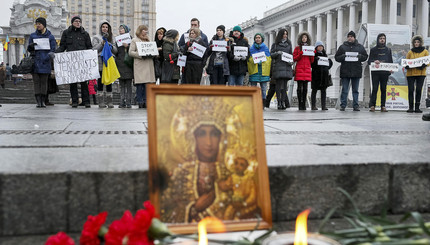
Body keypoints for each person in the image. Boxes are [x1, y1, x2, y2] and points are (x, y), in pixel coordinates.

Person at [56, 15, 92, 108]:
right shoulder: (66, 33)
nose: (78, 23)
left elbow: (89, 47)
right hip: (71, 62)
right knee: (73, 83)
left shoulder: (85, 34)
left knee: (84, 82)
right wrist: (55, 53)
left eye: (79, 21)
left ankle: (86, 101)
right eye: (76, 21)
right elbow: (62, 46)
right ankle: (74, 101)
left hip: (82, 62)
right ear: (72, 23)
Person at [335, 31, 368, 111]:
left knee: (355, 90)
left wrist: (360, 56)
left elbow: (365, 57)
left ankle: (355, 105)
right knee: (345, 90)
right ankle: (343, 105)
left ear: (354, 37)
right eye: (348, 36)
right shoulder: (342, 47)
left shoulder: (360, 47)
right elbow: (337, 57)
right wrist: (343, 56)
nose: (350, 38)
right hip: (345, 71)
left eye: (351, 36)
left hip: (356, 71)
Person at [27, 17, 56, 108]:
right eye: (37, 24)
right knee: (36, 82)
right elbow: (29, 49)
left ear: (44, 25)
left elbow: (53, 49)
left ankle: (43, 101)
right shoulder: (33, 36)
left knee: (44, 82)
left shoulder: (50, 36)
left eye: (39, 23)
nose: (38, 25)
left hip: (45, 62)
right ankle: (38, 101)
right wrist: (31, 46)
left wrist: (49, 56)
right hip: (35, 62)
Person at [219, 156, 258, 220]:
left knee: (239, 217)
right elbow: (226, 187)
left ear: (246, 167)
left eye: (241, 165)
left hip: (246, 206)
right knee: (227, 215)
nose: (237, 166)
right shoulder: (231, 177)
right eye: (236, 163)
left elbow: (252, 196)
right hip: (233, 204)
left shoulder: (249, 180)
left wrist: (244, 204)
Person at [129, 25, 156, 108]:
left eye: (146, 30)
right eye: (144, 30)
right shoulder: (134, 40)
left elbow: (153, 50)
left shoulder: (149, 40)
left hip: (148, 64)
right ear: (140, 31)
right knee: (140, 85)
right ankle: (140, 101)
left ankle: (146, 101)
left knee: (147, 84)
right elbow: (130, 52)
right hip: (140, 64)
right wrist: (141, 55)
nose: (146, 32)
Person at [92, 20, 117, 108]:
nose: (105, 29)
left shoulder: (112, 37)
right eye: (103, 27)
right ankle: (101, 101)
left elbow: (115, 50)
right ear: (100, 28)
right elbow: (94, 49)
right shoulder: (96, 37)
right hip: (100, 61)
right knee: (100, 82)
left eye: (106, 27)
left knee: (109, 81)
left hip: (109, 62)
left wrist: (110, 45)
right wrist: (102, 43)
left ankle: (110, 101)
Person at [178, 18, 209, 84]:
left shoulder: (204, 37)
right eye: (192, 25)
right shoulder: (185, 36)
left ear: (198, 25)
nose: (193, 26)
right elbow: (180, 48)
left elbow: (206, 52)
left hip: (198, 65)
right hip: (188, 65)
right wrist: (186, 49)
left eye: (195, 25)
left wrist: (202, 64)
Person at [368, 33, 393, 112]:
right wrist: (374, 61)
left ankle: (383, 106)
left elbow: (390, 61)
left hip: (384, 73)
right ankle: (372, 105)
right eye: (381, 38)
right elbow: (369, 61)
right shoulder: (373, 49)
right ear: (378, 39)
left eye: (383, 38)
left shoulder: (388, 50)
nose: (382, 40)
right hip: (375, 72)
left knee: (383, 89)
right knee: (375, 89)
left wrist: (391, 69)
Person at [270, 29, 293, 110]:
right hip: (278, 66)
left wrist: (291, 62)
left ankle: (283, 102)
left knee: (284, 86)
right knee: (278, 85)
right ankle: (279, 102)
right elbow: (271, 55)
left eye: (286, 34)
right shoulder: (275, 44)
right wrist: (277, 53)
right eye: (284, 34)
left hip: (286, 66)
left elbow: (291, 55)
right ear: (280, 35)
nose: (285, 35)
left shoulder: (289, 44)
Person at [405, 35, 428, 113]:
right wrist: (407, 66)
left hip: (421, 74)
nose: (416, 43)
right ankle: (410, 107)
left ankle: (417, 107)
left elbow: (428, 61)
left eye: (418, 42)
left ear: (420, 43)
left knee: (418, 90)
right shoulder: (410, 52)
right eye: (415, 42)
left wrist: (424, 65)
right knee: (411, 90)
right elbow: (406, 62)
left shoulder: (425, 51)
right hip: (410, 74)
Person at [248, 33, 271, 107]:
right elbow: (249, 59)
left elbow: (269, 59)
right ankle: (253, 102)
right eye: (256, 38)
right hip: (254, 71)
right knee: (253, 88)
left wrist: (263, 61)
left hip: (263, 71)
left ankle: (263, 104)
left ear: (262, 39)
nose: (257, 39)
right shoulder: (251, 48)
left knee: (264, 89)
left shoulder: (265, 48)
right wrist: (255, 60)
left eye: (259, 37)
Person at [293, 32, 314, 110]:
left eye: (305, 37)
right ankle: (300, 104)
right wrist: (300, 54)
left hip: (307, 69)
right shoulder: (297, 48)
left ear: (307, 39)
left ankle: (304, 104)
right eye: (303, 37)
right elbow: (294, 58)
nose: (304, 39)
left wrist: (312, 54)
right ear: (300, 39)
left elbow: (311, 61)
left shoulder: (309, 48)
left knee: (305, 88)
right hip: (299, 69)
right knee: (299, 88)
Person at [115, 24, 134, 108]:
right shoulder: (117, 40)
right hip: (120, 64)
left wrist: (128, 46)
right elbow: (115, 51)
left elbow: (134, 49)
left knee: (129, 85)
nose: (120, 30)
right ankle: (122, 101)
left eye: (122, 29)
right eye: (119, 29)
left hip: (128, 64)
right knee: (122, 85)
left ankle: (129, 102)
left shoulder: (131, 39)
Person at [311, 41, 333, 110]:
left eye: (321, 46)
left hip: (324, 76)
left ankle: (324, 106)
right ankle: (313, 105)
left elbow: (328, 65)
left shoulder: (325, 55)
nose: (320, 47)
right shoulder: (313, 55)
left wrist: (329, 62)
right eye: (319, 46)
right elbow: (312, 64)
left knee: (323, 91)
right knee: (314, 90)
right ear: (316, 47)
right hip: (316, 75)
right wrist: (315, 60)